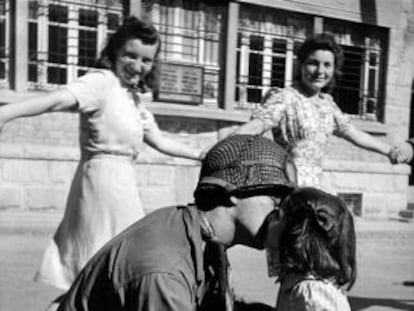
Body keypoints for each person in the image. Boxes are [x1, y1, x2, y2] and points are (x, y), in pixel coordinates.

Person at [0, 16, 203, 290]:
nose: (138, 66)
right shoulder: (102, 82)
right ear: (115, 51)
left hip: (123, 186)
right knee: (101, 270)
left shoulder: (132, 98)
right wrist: (6, 113)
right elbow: (58, 99)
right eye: (130, 55)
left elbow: (160, 140)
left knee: (111, 272)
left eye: (146, 60)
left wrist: (201, 155)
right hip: (99, 186)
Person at [55, 134, 297, 311]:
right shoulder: (165, 274)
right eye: (277, 200)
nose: (283, 215)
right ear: (235, 191)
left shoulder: (194, 231)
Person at [234, 32, 394, 187]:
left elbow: (355, 134)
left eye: (327, 65)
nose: (320, 71)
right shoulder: (285, 98)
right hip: (288, 186)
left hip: (317, 188)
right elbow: (256, 125)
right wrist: (223, 147)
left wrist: (390, 151)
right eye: (313, 63)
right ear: (301, 65)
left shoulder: (328, 105)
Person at [264, 187, 356, 311]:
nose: (269, 221)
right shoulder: (297, 281)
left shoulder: (313, 293)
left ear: (296, 233)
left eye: (278, 216)